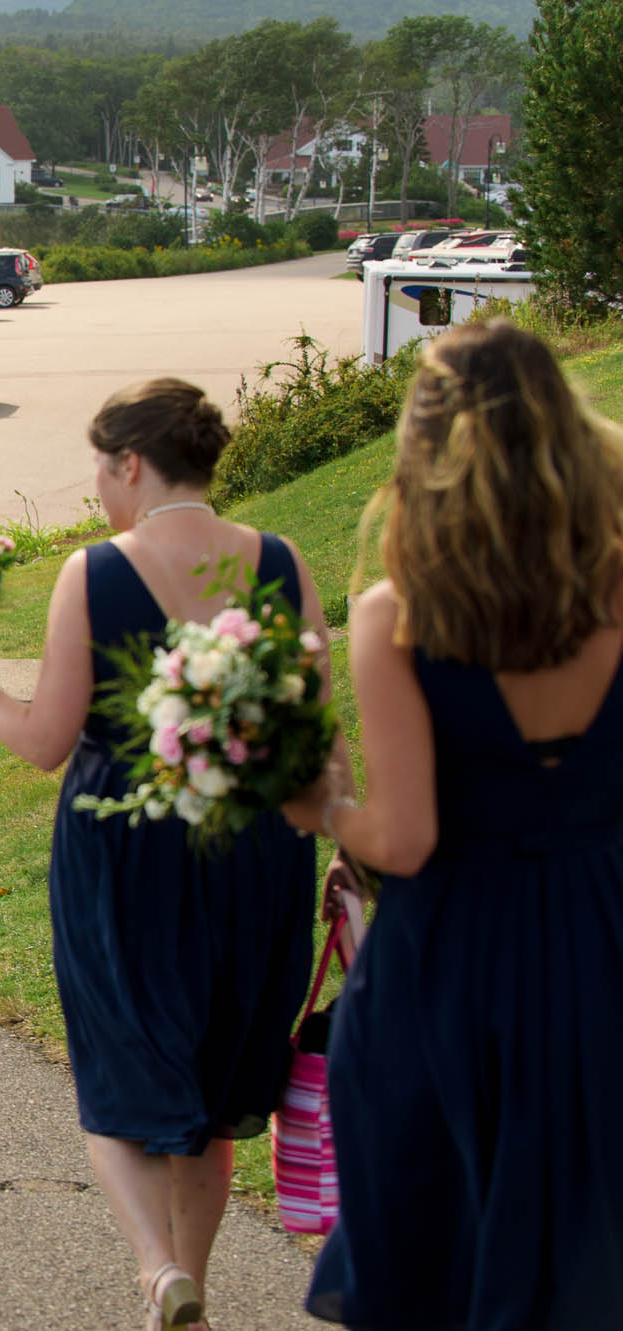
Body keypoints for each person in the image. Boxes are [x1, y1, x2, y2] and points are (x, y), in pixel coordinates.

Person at [0, 379, 323, 1331]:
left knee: (119, 1084)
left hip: (125, 856)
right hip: (252, 850)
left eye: (100, 468)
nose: (99, 488)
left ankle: (155, 1271)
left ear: (130, 463)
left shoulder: (96, 571)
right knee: (214, 1097)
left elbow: (47, 739)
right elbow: (308, 728)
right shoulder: (283, 558)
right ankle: (194, 1287)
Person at [287, 320, 623, 1328]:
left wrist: (315, 799)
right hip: (600, 936)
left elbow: (402, 838)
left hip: (450, 960)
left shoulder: (398, 612)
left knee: (432, 1238)